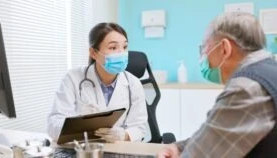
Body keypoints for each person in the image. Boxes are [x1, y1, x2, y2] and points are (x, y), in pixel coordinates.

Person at [158, 12, 277, 158]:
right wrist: (179, 147)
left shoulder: (246, 88)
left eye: (205, 48)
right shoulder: (270, 70)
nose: (204, 56)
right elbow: (222, 134)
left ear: (225, 48)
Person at [47, 23, 147, 143]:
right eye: (113, 48)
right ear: (94, 53)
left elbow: (139, 127)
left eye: (124, 47)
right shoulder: (73, 78)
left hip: (118, 148)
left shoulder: (133, 84)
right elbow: (54, 124)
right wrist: (82, 130)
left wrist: (124, 135)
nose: (122, 53)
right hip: (83, 148)